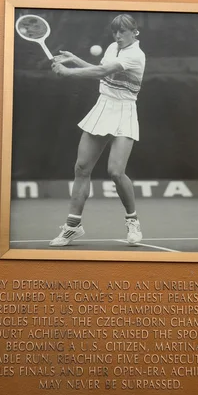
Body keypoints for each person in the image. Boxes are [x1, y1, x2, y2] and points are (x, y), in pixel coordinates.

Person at [49, 14, 146, 247]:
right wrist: (74, 60)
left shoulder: (136, 55)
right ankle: (73, 226)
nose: (118, 36)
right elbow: (101, 68)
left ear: (135, 32)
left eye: (123, 31)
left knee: (115, 171)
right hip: (103, 107)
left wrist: (67, 72)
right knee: (81, 168)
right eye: (115, 32)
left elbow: (102, 73)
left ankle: (132, 221)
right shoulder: (113, 47)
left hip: (125, 111)